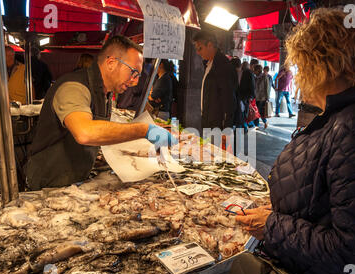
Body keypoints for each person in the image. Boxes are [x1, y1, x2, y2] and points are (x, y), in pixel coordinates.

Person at [234, 8, 355, 274]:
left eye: (301, 65)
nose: (298, 78)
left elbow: (353, 255)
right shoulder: (339, 115)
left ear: (324, 66)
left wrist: (271, 227)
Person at [24, 36, 177, 190]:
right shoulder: (74, 87)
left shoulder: (105, 93)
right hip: (47, 184)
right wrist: (144, 130)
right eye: (133, 72)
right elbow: (85, 132)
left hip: (72, 180)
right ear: (111, 63)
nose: (135, 81)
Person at [193, 30, 237, 131]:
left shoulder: (223, 66)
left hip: (218, 126)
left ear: (210, 45)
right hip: (208, 122)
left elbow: (229, 100)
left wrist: (227, 128)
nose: (198, 52)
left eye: (200, 48)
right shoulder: (209, 64)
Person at [253, 64, 270, 129]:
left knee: (259, 111)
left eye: (255, 70)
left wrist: (267, 98)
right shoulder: (255, 77)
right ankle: (257, 125)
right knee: (256, 111)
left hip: (262, 97)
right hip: (256, 97)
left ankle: (264, 122)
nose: (254, 71)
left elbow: (267, 88)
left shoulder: (264, 77)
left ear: (258, 70)